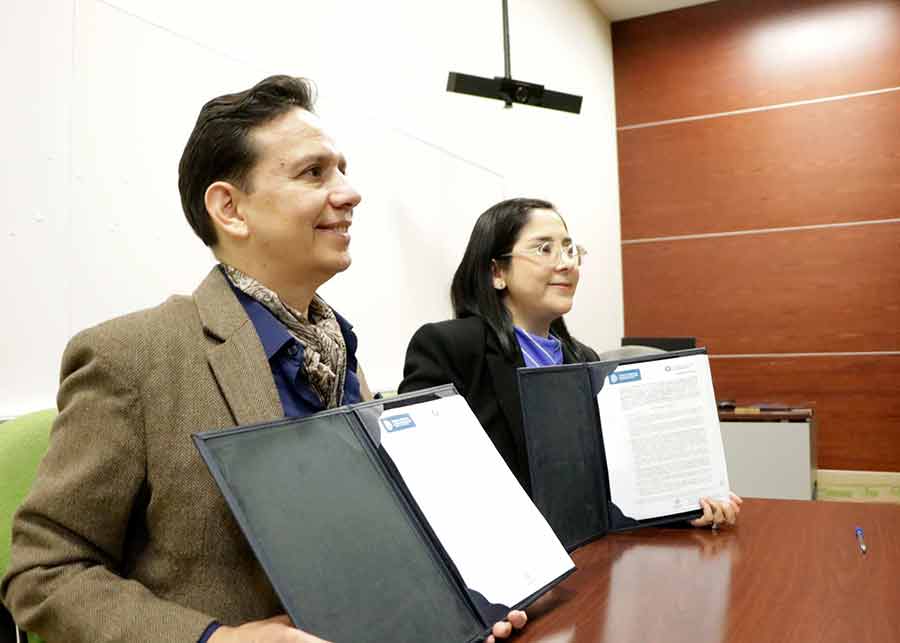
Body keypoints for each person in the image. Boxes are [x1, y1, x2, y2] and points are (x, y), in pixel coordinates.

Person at [1, 76, 526, 643]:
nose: (350, 193)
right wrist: (217, 640)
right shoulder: (130, 358)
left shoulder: (339, 350)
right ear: (230, 208)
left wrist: (453, 600)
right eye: (313, 173)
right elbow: (43, 574)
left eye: (342, 170)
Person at [398, 197, 741, 528]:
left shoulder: (584, 359)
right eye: (544, 248)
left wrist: (681, 507)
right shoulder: (449, 346)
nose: (566, 263)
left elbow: (612, 480)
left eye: (569, 249)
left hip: (589, 553)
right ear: (497, 271)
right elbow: (422, 475)